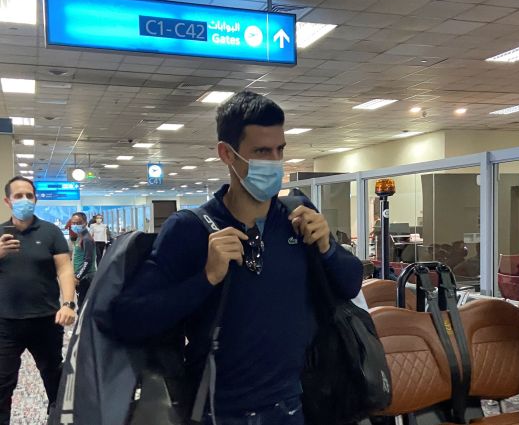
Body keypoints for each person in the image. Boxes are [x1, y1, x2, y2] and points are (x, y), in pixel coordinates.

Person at [111, 91, 363, 425]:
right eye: (261, 151)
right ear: (227, 154)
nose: (274, 161)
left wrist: (328, 248)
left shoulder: (297, 216)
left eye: (280, 150)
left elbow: (351, 284)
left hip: (293, 404)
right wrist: (206, 278)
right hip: (219, 410)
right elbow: (127, 318)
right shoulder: (190, 229)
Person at [0, 176, 77, 424]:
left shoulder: (51, 232)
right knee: (2, 383)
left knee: (54, 377)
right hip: (6, 322)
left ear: (35, 199)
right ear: (8, 201)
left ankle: (59, 419)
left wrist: (68, 304)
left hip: (46, 320)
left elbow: (64, 270)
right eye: (18, 196)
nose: (25, 200)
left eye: (29, 196)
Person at [70, 212, 96, 310]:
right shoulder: (80, 236)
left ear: (85, 223)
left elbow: (88, 261)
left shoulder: (87, 239)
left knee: (84, 306)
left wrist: (78, 277)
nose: (75, 225)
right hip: (81, 276)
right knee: (81, 304)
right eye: (73, 223)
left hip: (86, 277)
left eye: (78, 223)